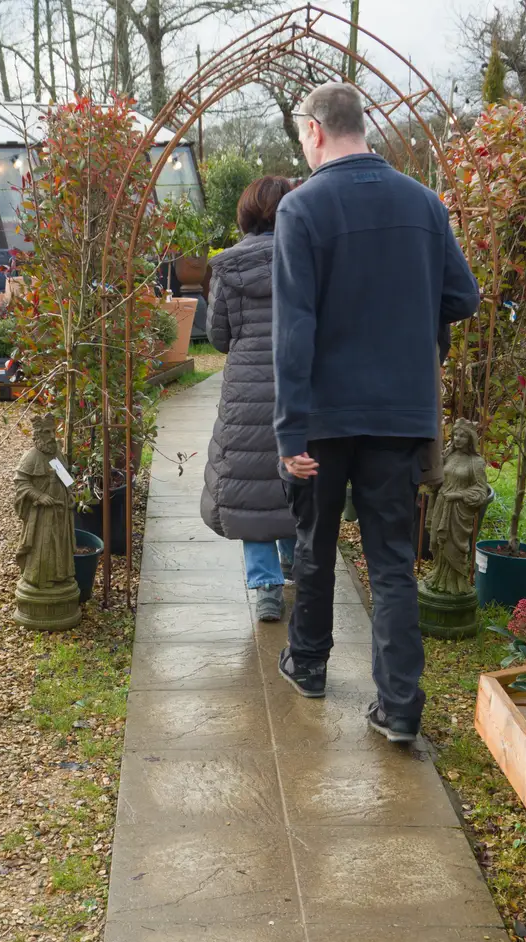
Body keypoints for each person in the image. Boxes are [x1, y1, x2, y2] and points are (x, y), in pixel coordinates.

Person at [272, 83, 481, 744]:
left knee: (315, 542)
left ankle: (309, 664)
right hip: (399, 415)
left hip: (322, 419)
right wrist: (413, 329)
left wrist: (288, 429)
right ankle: (399, 706)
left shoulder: (301, 208)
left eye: (302, 135)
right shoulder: (424, 204)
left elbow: (293, 329)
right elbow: (463, 297)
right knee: (391, 560)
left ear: (315, 130)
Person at [199, 175, 298, 622]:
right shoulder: (309, 259)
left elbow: (219, 337)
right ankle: (294, 557)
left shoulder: (227, 268)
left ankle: (267, 588)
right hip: (298, 382)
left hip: (246, 391)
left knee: (248, 483)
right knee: (295, 472)